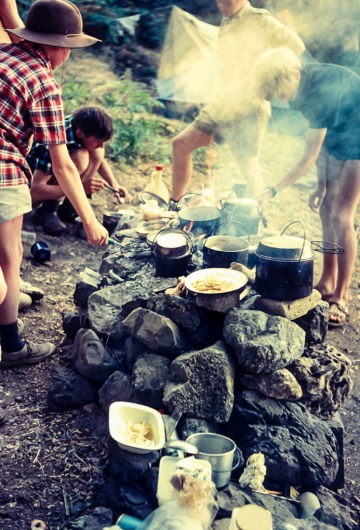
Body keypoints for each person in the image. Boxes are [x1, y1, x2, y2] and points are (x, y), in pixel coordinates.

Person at [0, 0, 109, 370]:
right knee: (10, 259)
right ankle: (11, 345)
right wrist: (90, 220)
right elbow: (62, 163)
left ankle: (8, 300)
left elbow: (10, 18)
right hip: (3, 171)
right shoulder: (44, 83)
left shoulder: (4, 54)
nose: (70, 55)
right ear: (57, 46)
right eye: (71, 48)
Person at [254, 46, 360, 327]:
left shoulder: (319, 89)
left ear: (294, 74)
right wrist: (321, 184)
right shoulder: (300, 91)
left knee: (341, 215)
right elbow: (321, 143)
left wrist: (272, 190)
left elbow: (307, 156)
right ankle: (327, 281)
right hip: (341, 136)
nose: (279, 96)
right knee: (326, 208)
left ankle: (341, 295)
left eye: (279, 88)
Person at [169, 0, 305, 209]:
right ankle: (175, 206)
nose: (221, 3)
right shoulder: (227, 21)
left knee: (248, 166)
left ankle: (257, 216)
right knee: (181, 144)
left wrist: (267, 75)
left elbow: (296, 45)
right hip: (223, 102)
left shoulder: (260, 19)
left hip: (249, 105)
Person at [27, 106, 133, 236]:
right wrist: (79, 189)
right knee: (81, 157)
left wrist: (114, 184)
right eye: (98, 141)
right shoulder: (55, 139)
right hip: (26, 194)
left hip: (47, 186)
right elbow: (35, 191)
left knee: (97, 152)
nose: (101, 145)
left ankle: (68, 208)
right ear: (79, 134)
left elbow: (99, 159)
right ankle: (48, 210)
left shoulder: (81, 127)